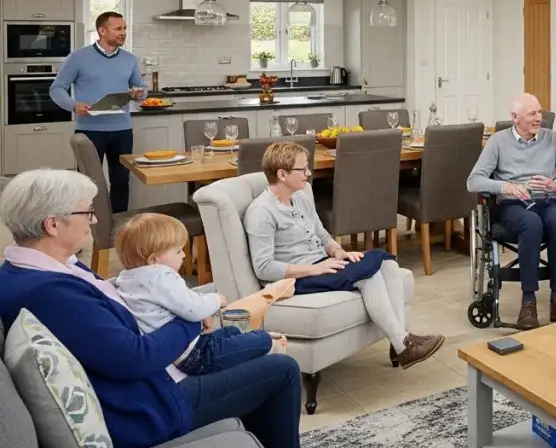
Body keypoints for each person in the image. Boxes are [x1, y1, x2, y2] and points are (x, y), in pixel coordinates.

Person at [0, 169, 302, 448]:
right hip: (147, 407)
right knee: (282, 369)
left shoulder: (44, 270)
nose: (93, 220)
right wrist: (192, 321)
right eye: (87, 211)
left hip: (155, 381)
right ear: (52, 225)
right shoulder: (49, 291)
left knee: (240, 345)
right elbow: (135, 358)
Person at [244, 141, 444, 368]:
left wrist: (339, 252)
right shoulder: (261, 212)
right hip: (296, 278)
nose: (308, 174)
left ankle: (400, 341)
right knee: (368, 275)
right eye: (302, 169)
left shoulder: (300, 197)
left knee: (387, 263)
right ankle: (403, 345)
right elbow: (263, 267)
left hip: (321, 263)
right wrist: (314, 269)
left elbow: (321, 233)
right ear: (282, 174)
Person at [468, 93, 556, 330]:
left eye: (540, 112)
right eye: (532, 113)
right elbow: (474, 181)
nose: (539, 118)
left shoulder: (552, 139)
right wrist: (506, 187)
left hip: (548, 200)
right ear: (515, 117)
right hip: (513, 205)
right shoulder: (498, 142)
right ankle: (529, 302)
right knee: (531, 223)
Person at [114, 212, 283, 376]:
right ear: (154, 260)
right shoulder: (161, 276)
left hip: (180, 350)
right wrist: (216, 299)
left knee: (231, 331)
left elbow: (181, 302)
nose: (184, 255)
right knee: (259, 338)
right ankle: (269, 345)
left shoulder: (127, 278)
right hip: (195, 354)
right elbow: (194, 310)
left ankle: (256, 343)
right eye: (178, 251)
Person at [49, 11, 146, 213]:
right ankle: (84, 227)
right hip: (89, 131)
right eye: (118, 28)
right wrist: (74, 105)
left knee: (121, 181)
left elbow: (141, 88)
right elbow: (57, 88)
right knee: (86, 184)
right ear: (102, 30)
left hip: (122, 129)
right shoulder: (78, 57)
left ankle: (118, 228)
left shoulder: (129, 59)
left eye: (124, 28)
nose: (123, 33)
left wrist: (139, 93)